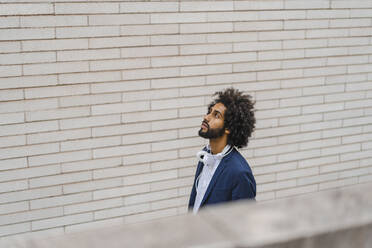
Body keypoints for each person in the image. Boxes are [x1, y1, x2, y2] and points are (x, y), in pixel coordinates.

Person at [188, 87, 256, 214]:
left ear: (229, 128)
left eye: (216, 115)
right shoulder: (205, 155)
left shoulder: (239, 173)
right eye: (209, 111)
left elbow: (244, 222)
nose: (206, 117)